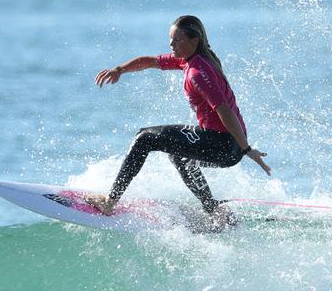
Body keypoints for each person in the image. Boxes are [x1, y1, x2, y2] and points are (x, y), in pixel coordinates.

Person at [85, 15, 271, 224]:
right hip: (227, 144)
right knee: (178, 153)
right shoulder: (194, 59)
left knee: (145, 138)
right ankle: (214, 209)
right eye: (170, 39)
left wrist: (247, 150)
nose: (171, 44)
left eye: (177, 40)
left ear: (194, 41)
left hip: (225, 145)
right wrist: (120, 69)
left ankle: (110, 202)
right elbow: (152, 62)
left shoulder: (197, 72)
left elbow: (225, 111)